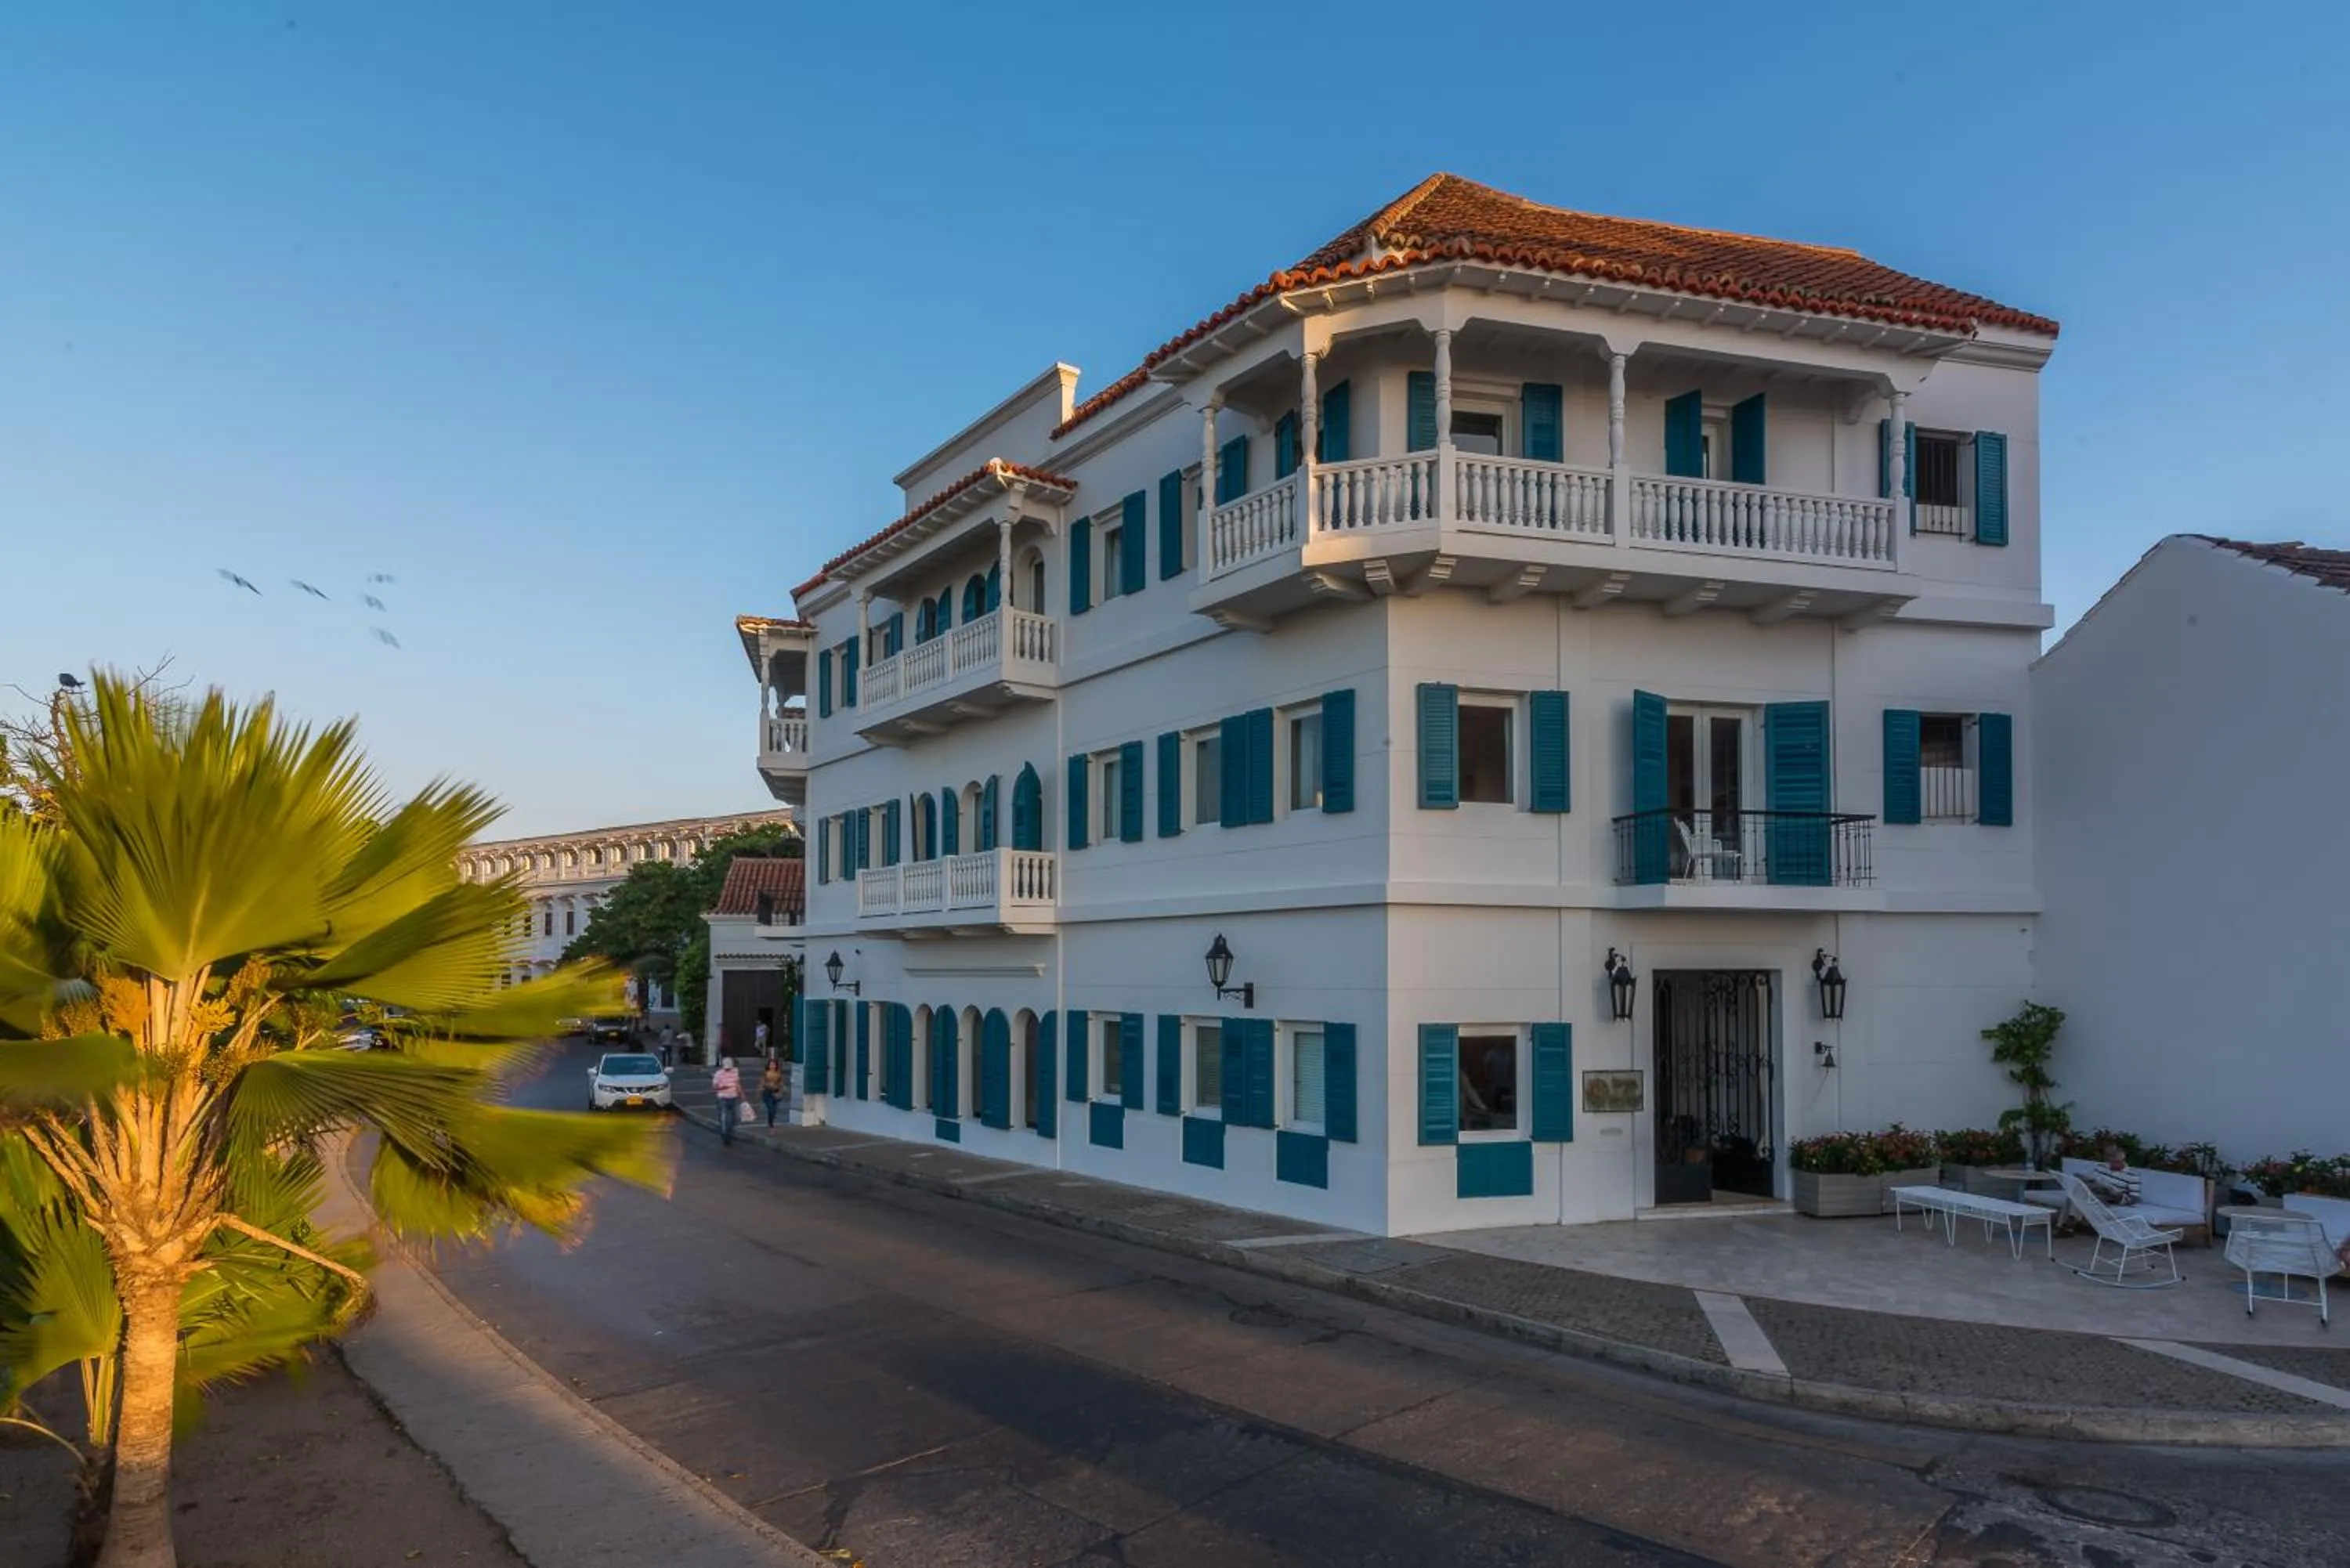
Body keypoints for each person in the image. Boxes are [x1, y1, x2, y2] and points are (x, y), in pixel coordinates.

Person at [711, 1054, 743, 1145]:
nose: (728, 1070)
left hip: (733, 1097)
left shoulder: (735, 1071)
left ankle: (729, 1132)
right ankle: (725, 1136)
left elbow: (737, 1083)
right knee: (724, 1118)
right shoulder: (719, 1074)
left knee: (734, 1118)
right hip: (723, 1098)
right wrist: (722, 1088)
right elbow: (714, 1087)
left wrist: (742, 1094)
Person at [760, 1057, 785, 1128]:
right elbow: (762, 1082)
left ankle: (771, 1121)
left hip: (775, 1093)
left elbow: (781, 1082)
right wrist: (763, 1087)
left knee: (774, 1110)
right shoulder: (766, 1073)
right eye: (771, 1065)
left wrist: (782, 1088)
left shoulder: (778, 1074)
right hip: (767, 1093)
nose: (772, 1066)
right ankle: (771, 1124)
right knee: (770, 1109)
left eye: (774, 1065)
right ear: (768, 1065)